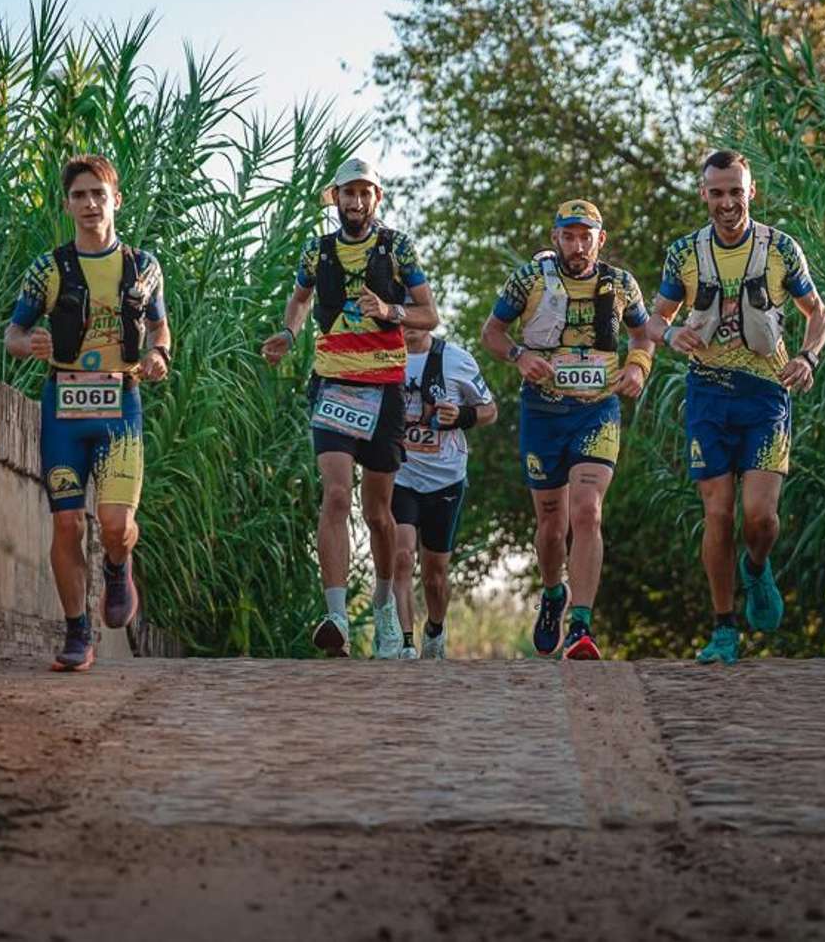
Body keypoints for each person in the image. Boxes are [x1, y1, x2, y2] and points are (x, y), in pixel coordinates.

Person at [646, 149, 825, 666]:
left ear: (751, 192)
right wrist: (669, 334)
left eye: (736, 191)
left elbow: (818, 313)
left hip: (766, 394)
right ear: (704, 194)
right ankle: (724, 628)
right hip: (707, 393)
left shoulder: (780, 249)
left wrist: (808, 356)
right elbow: (653, 319)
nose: (727, 203)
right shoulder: (685, 253)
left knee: (760, 518)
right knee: (718, 513)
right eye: (717, 192)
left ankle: (757, 566)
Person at [261, 157, 440, 657]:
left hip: (383, 387)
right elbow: (299, 300)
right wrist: (288, 332)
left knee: (378, 513)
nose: (356, 202)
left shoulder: (397, 247)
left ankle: (384, 607)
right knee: (337, 495)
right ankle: (336, 614)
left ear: (376, 198)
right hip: (333, 383)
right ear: (335, 199)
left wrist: (390, 311)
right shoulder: (318, 251)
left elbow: (431, 312)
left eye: (365, 193)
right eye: (348, 193)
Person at [4, 154, 171, 673]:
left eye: (98, 194)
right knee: (68, 523)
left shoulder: (143, 267)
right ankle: (78, 632)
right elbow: (11, 335)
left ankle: (118, 566)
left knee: (116, 524)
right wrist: (27, 342)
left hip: (120, 403)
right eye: (79, 195)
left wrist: (158, 355)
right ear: (67, 204)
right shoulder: (48, 269)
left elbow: (161, 330)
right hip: (64, 405)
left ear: (115, 200)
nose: (90, 204)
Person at [480, 199, 654, 660]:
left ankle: (581, 626)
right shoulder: (529, 280)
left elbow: (642, 335)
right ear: (555, 238)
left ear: (601, 239)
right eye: (569, 236)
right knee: (552, 528)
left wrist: (638, 367)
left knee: (587, 511)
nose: (578, 246)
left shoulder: (620, 283)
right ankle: (554, 592)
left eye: (586, 237)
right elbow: (491, 332)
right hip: (542, 413)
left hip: (597, 413)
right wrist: (519, 356)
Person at [382, 327, 498, 659]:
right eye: (404, 310)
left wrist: (462, 415)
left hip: (445, 479)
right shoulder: (384, 355)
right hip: (401, 474)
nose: (412, 321)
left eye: (419, 311)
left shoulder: (457, 360)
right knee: (402, 558)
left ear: (430, 317)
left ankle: (434, 629)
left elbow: (490, 410)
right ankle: (405, 643)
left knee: (435, 576)